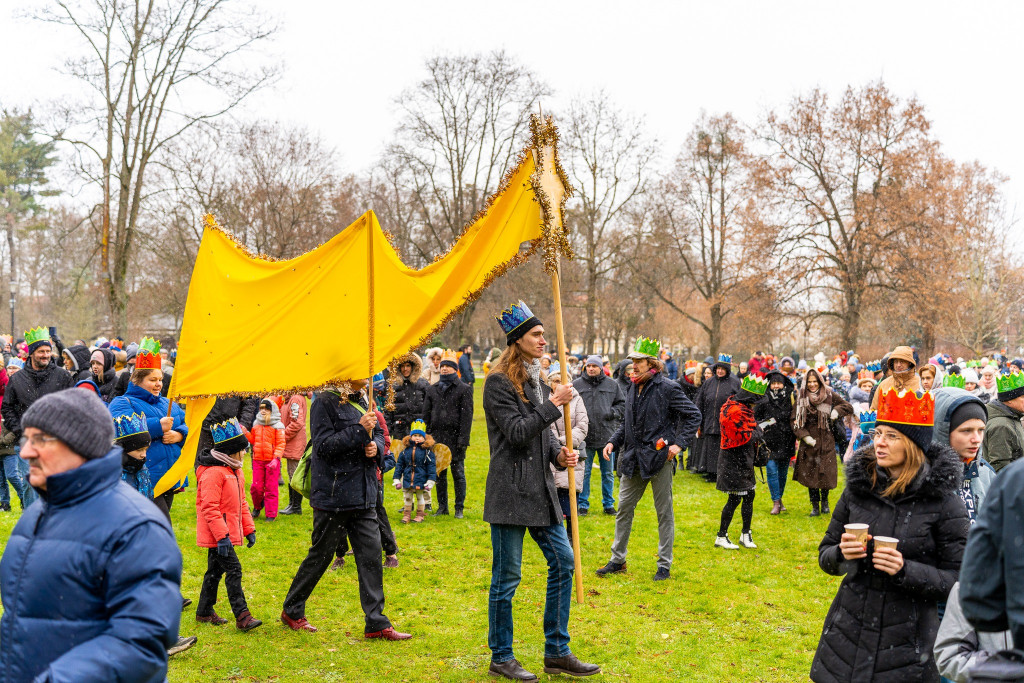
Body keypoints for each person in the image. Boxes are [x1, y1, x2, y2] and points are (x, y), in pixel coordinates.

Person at [0, 389, 183, 682]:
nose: (25, 452)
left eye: (39, 440)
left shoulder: (136, 529)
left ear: (78, 446)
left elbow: (140, 643)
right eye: (25, 439)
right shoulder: (38, 513)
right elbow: (24, 620)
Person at [810, 388, 969, 683]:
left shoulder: (945, 503)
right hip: (847, 636)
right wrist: (843, 555)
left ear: (913, 444)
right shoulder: (858, 490)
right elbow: (826, 555)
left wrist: (904, 570)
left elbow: (958, 581)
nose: (878, 442)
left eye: (891, 436)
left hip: (908, 647)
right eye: (878, 433)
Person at [483, 300, 599, 681]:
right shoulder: (498, 382)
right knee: (507, 578)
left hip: (541, 490)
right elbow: (516, 432)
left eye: (545, 334)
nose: (544, 340)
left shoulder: (533, 379)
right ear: (517, 340)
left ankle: (557, 651)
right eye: (537, 334)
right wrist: (553, 404)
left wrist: (558, 453)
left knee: (564, 563)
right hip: (510, 492)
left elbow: (541, 433)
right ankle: (501, 656)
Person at [281, 379, 410, 640]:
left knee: (371, 557)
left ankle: (376, 622)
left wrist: (375, 449)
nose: (366, 375)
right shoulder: (324, 402)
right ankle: (292, 610)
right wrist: (360, 431)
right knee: (321, 556)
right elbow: (325, 446)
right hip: (333, 496)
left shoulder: (362, 399)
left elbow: (376, 435)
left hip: (364, 495)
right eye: (359, 369)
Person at [596, 336, 701, 581]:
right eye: (632, 361)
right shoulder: (632, 386)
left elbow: (693, 415)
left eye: (639, 361)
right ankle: (617, 559)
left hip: (659, 459)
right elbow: (627, 423)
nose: (633, 365)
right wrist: (613, 440)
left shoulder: (668, 388)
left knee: (664, 513)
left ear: (651, 364)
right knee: (623, 510)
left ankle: (664, 565)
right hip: (632, 459)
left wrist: (678, 444)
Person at [195, 418, 261, 632]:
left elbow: (241, 502)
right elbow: (209, 507)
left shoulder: (235, 471)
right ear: (232, 450)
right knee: (234, 569)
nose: (245, 453)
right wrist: (222, 536)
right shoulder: (213, 473)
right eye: (243, 449)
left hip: (224, 534)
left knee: (214, 572)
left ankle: (204, 611)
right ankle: (242, 616)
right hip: (219, 535)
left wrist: (249, 529)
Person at [107, 356, 188, 519]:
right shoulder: (122, 402)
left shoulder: (167, 403)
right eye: (152, 380)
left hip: (168, 476)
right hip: (145, 476)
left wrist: (179, 435)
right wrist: (158, 426)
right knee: (159, 525)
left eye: (160, 379)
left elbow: (186, 423)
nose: (158, 384)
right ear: (137, 380)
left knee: (159, 522)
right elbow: (123, 433)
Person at [792, 369, 853, 516]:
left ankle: (825, 502)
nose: (812, 385)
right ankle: (814, 506)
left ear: (820, 381)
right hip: (809, 442)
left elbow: (848, 406)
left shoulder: (829, 394)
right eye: (810, 382)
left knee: (826, 474)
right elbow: (794, 420)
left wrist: (836, 411)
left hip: (827, 440)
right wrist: (804, 436)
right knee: (811, 475)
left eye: (815, 381)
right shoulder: (801, 397)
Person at [715, 375, 767, 549]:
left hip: (743, 459)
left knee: (749, 496)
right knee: (735, 498)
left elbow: (746, 430)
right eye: (755, 402)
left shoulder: (739, 408)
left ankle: (746, 534)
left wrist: (756, 429)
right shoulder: (735, 411)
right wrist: (759, 431)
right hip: (733, 461)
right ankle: (721, 536)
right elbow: (741, 436)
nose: (756, 406)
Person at [422, 349, 473, 518]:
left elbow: (467, 417)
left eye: (448, 366)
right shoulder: (432, 389)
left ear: (454, 369)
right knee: (439, 474)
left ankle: (459, 507)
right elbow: (426, 415)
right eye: (442, 366)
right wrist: (426, 435)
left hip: (456, 438)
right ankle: (442, 506)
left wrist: (463, 439)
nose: (444, 369)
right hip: (436, 438)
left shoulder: (464, 389)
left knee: (458, 473)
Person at [1, 326, 74, 443]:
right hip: (26, 444)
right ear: (31, 353)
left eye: (48, 351)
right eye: (41, 351)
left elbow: (73, 406)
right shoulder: (16, 378)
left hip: (56, 441)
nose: (45, 355)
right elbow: (7, 407)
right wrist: (20, 431)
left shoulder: (63, 376)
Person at [933, 387, 994, 523]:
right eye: (966, 431)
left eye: (981, 430)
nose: (977, 439)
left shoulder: (986, 473)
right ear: (943, 430)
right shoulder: (923, 476)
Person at [573, 354, 624, 516]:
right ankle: (583, 504)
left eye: (594, 366)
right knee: (584, 473)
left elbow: (622, 404)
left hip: (606, 436)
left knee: (608, 473)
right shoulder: (576, 385)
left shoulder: (612, 385)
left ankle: (608, 504)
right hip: (584, 437)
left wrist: (612, 413)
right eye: (588, 366)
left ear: (600, 367)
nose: (591, 368)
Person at [547, 371, 587, 539]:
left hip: (570, 452)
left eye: (562, 380)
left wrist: (564, 442)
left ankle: (571, 535)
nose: (558, 384)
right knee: (551, 496)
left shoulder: (577, 400)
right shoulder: (545, 402)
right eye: (555, 381)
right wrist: (553, 445)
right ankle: (554, 535)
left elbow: (582, 425)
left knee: (569, 498)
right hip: (549, 455)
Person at [692, 354, 741, 482]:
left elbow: (739, 402)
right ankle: (711, 471)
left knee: (723, 448)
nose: (719, 371)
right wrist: (698, 418)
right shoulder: (708, 382)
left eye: (722, 369)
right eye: (718, 368)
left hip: (726, 422)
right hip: (709, 419)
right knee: (710, 447)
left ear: (727, 370)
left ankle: (722, 472)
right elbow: (700, 401)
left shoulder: (734, 382)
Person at [756, 370, 796, 515]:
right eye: (774, 384)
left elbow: (795, 416)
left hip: (786, 439)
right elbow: (756, 419)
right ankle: (776, 501)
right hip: (769, 441)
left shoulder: (791, 397)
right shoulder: (763, 398)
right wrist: (769, 422)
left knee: (783, 474)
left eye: (779, 383)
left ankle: (779, 499)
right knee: (772, 470)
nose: (776, 386)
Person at [247, 397, 286, 521]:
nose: (263, 411)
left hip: (272, 462)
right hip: (257, 460)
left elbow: (280, 444)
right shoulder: (256, 424)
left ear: (272, 410)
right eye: (261, 408)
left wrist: (276, 459)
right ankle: (258, 506)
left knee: (271, 488)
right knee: (256, 487)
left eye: (266, 408)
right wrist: (245, 433)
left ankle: (271, 513)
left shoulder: (278, 426)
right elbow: (253, 440)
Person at [393, 419, 436, 523]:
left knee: (420, 496)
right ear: (411, 436)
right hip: (408, 477)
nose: (417, 438)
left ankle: (420, 515)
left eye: (420, 436)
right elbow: (399, 465)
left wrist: (430, 481)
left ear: (424, 438)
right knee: (408, 497)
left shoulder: (427, 452)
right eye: (415, 435)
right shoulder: (405, 451)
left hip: (420, 478)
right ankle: (407, 515)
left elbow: (431, 467)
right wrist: (397, 479)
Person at [980, 372, 1024, 472]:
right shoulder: (1001, 425)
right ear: (1009, 400)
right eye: (1023, 397)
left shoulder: (1012, 417)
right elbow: (1000, 468)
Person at [387, 352, 429, 439]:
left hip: (419, 430)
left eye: (408, 366)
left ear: (413, 367)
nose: (405, 369)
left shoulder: (423, 385)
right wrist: (388, 431)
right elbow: (388, 411)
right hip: (399, 430)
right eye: (402, 366)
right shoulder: (393, 386)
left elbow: (429, 408)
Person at [280, 392, 308, 516]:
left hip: (295, 442)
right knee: (291, 474)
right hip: (291, 442)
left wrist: (282, 435)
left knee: (294, 475)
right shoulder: (289, 398)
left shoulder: (295, 399)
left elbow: (297, 422)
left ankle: (296, 506)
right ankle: (292, 504)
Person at [115, 411, 155, 499]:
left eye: (146, 449)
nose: (144, 455)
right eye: (139, 450)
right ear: (123, 449)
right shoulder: (112, 474)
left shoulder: (142, 468)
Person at [869, 345, 921, 409]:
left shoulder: (920, 384)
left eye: (902, 361)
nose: (898, 365)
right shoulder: (883, 384)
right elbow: (874, 410)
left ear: (909, 363)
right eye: (896, 361)